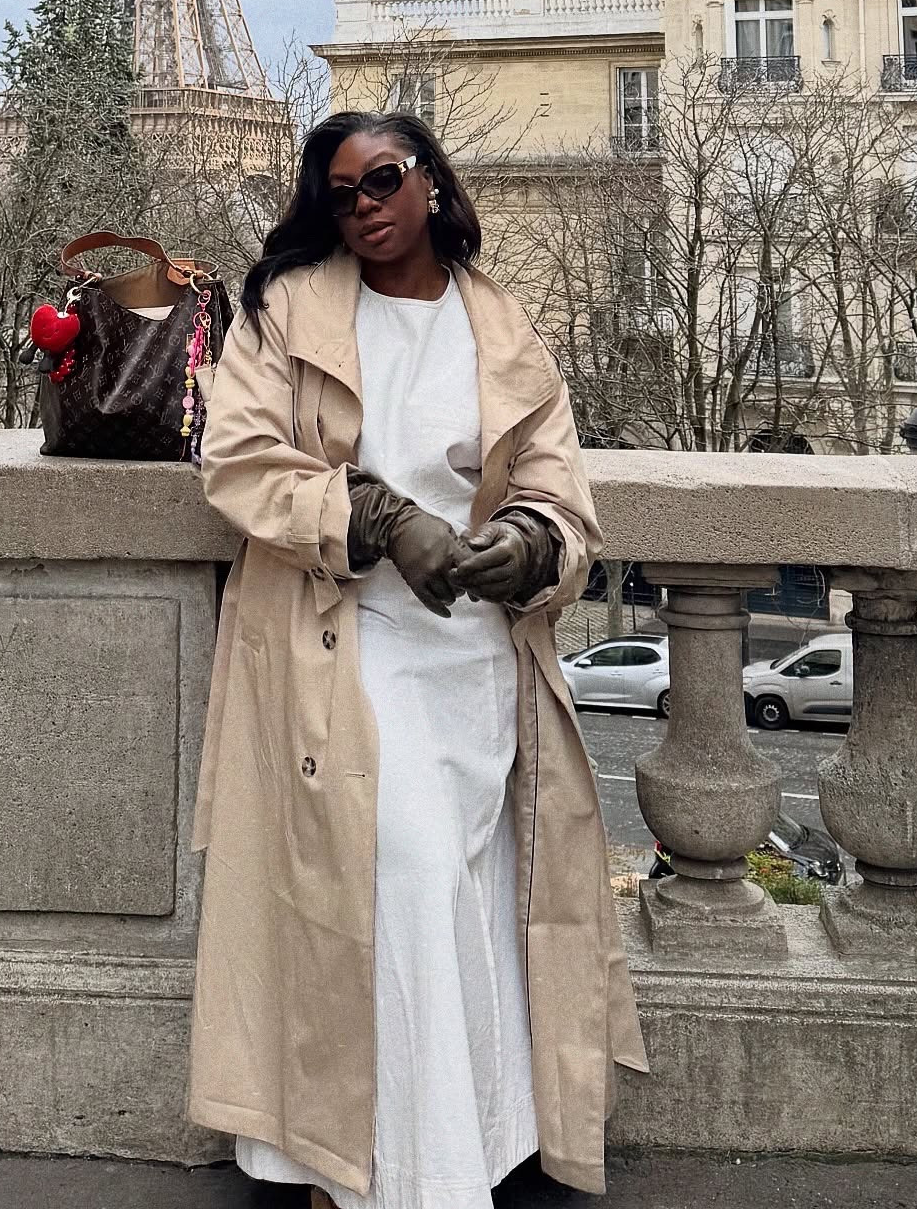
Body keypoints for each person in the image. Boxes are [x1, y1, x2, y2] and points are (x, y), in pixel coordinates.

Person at [188, 111, 646, 1208]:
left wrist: (526, 543)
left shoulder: (503, 325)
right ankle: (413, 1178)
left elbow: (559, 491)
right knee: (406, 871)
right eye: (339, 193)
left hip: (474, 659)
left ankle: (455, 1144)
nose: (364, 207)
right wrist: (384, 519)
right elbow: (239, 461)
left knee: (457, 897)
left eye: (383, 180)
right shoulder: (287, 308)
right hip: (340, 638)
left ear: (432, 183)